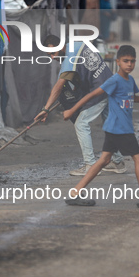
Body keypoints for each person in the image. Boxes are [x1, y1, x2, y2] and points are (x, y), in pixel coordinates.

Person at [62, 45, 139, 208]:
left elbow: (133, 97)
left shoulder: (130, 81)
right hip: (121, 128)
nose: (129, 64)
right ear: (118, 62)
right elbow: (93, 94)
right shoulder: (113, 80)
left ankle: (75, 192)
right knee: (138, 158)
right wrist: (71, 110)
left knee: (103, 160)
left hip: (116, 128)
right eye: (126, 61)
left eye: (132, 61)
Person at [35, 35, 126, 176]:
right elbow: (86, 68)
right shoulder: (79, 44)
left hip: (100, 90)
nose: (52, 57)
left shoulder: (68, 61)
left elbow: (58, 87)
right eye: (49, 55)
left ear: (61, 47)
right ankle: (118, 162)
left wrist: (45, 109)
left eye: (53, 53)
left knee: (81, 124)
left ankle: (90, 165)